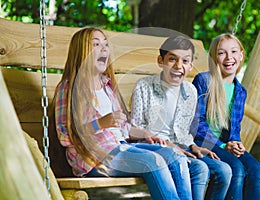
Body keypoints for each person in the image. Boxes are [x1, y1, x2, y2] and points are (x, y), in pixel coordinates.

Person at [54, 27, 195, 200]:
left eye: (105, 44)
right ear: (81, 52)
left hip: (121, 147)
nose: (104, 48)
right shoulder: (68, 89)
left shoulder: (107, 86)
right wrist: (100, 123)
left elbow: (122, 127)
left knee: (175, 156)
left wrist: (145, 133)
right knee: (154, 161)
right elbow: (65, 135)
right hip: (94, 159)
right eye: (96, 44)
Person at [131, 35, 232, 200]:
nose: (178, 66)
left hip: (182, 148)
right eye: (172, 59)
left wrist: (193, 146)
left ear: (191, 66)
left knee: (224, 171)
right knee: (200, 169)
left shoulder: (190, 91)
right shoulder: (144, 86)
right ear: (160, 60)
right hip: (154, 149)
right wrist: (167, 144)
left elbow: (183, 131)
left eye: (185, 61)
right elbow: (136, 130)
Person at [191, 33, 260, 200]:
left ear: (241, 55)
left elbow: (235, 128)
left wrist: (236, 144)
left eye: (233, 52)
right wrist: (223, 147)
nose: (229, 57)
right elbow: (196, 124)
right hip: (202, 141)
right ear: (214, 57)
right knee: (236, 169)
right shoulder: (203, 81)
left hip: (224, 145)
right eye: (222, 52)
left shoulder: (240, 91)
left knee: (254, 168)